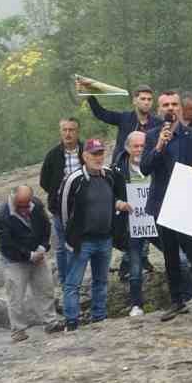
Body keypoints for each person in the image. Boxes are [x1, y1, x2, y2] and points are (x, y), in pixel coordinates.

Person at [140, 90, 192, 321]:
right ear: (159, 110)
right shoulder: (153, 135)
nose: (170, 108)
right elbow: (145, 168)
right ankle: (177, 300)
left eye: (174, 104)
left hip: (185, 202)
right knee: (170, 254)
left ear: (180, 109)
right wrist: (159, 147)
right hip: (162, 203)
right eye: (166, 105)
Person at [59, 140, 128, 331]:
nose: (98, 158)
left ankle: (99, 318)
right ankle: (71, 323)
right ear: (85, 156)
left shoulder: (108, 176)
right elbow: (63, 209)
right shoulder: (74, 179)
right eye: (94, 154)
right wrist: (71, 236)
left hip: (105, 238)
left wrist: (118, 204)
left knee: (101, 281)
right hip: (82, 241)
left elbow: (109, 198)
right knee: (73, 283)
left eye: (100, 153)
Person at [0, 185, 54, 342]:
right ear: (13, 199)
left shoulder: (37, 205)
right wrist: (28, 255)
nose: (25, 208)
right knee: (16, 296)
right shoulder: (2, 215)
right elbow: (6, 244)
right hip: (14, 260)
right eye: (21, 205)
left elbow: (46, 227)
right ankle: (18, 330)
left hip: (37, 253)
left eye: (27, 204)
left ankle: (50, 322)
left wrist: (42, 247)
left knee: (45, 288)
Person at [38, 117, 84, 283]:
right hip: (60, 208)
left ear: (77, 132)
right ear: (60, 132)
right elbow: (44, 181)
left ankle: (81, 277)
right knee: (61, 246)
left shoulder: (86, 150)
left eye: (71, 130)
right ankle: (66, 281)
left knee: (84, 243)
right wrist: (58, 194)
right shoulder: (53, 155)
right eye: (64, 130)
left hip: (83, 208)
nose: (67, 133)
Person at [84, 83, 156, 171]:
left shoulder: (158, 123)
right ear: (134, 101)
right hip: (122, 169)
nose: (146, 102)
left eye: (149, 99)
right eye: (143, 99)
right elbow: (101, 113)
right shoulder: (124, 118)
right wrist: (89, 97)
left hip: (148, 170)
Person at [116, 129, 150, 317]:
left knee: (178, 258)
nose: (139, 149)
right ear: (128, 148)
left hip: (156, 221)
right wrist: (118, 203)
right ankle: (136, 305)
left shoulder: (155, 163)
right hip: (134, 223)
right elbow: (111, 194)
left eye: (143, 146)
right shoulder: (118, 169)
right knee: (135, 267)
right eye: (135, 146)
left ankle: (185, 296)